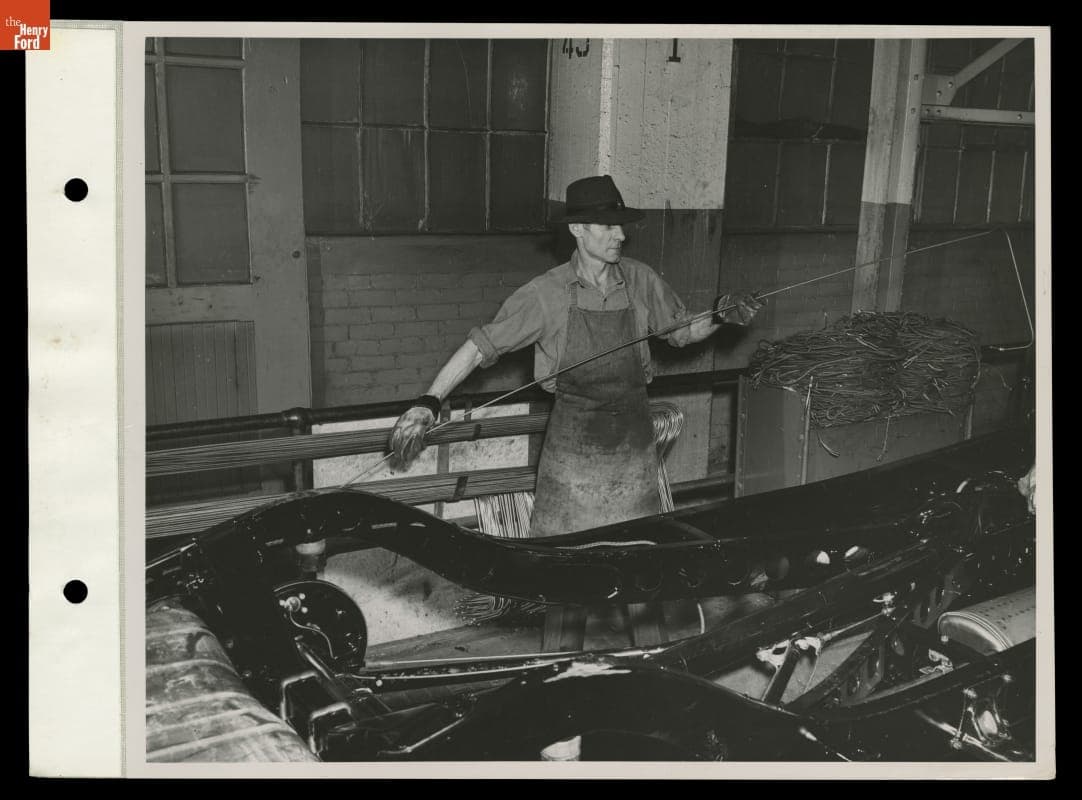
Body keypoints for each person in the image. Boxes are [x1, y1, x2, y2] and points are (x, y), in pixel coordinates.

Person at [389, 174, 763, 537]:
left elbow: (682, 331)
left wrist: (719, 315)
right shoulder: (545, 294)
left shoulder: (640, 280)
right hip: (571, 459)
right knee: (563, 567)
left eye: (621, 226)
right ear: (577, 229)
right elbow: (479, 347)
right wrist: (428, 402)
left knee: (637, 559)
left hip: (634, 455)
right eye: (607, 226)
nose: (620, 235)